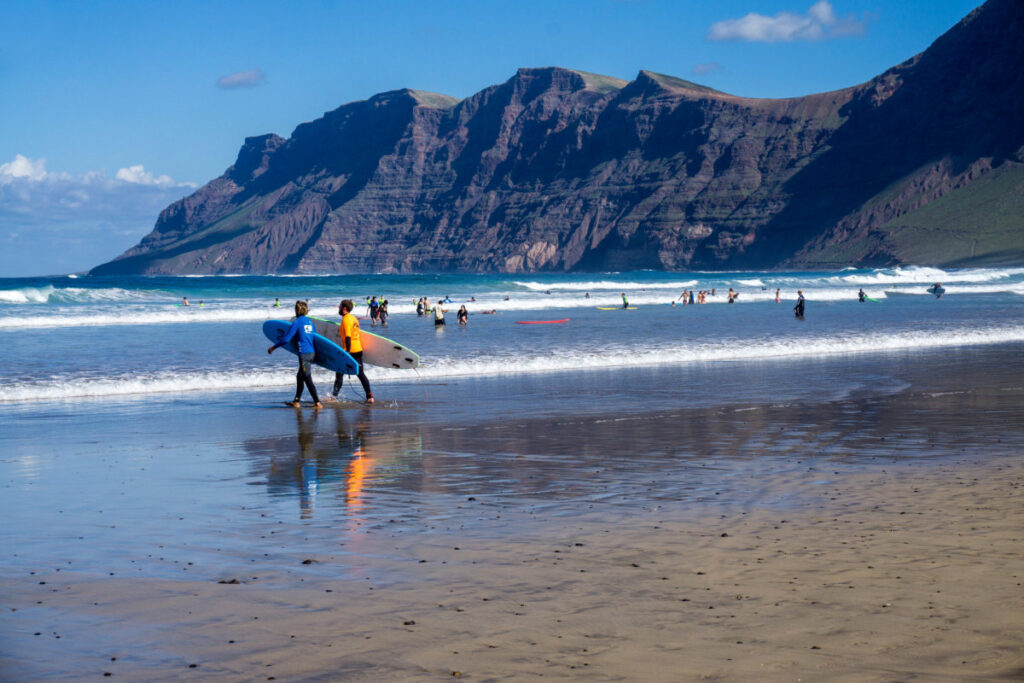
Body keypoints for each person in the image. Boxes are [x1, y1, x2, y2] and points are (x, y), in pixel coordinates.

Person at [267, 300, 322, 409]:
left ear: (297, 310)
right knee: (300, 376)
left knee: (307, 378)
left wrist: (273, 347)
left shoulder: (297, 322)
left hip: (304, 354)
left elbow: (286, 339)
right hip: (311, 353)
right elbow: (315, 338)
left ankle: (318, 403)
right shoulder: (310, 322)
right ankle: (296, 401)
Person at [332, 299, 373, 404]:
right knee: (361, 374)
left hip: (350, 351)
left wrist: (347, 353)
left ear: (344, 309)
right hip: (358, 349)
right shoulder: (354, 319)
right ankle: (370, 396)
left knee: (339, 374)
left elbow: (348, 338)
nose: (339, 308)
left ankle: (334, 397)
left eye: (340, 307)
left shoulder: (346, 320)